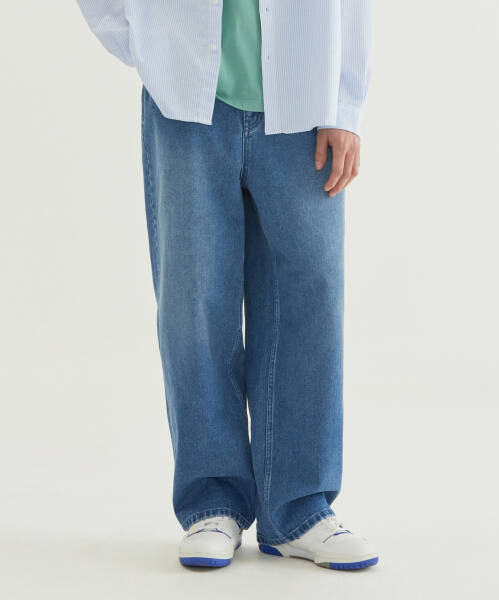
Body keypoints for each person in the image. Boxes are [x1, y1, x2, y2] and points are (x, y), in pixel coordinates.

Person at [77, 0, 377, 571]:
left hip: (306, 96)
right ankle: (212, 503)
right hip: (186, 98)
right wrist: (146, 45)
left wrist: (345, 104)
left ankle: (300, 509)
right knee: (194, 301)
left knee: (309, 297)